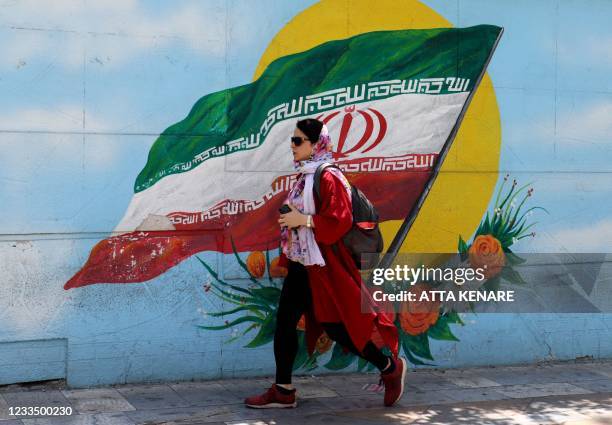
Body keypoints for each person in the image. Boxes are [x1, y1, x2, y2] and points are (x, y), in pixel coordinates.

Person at [244, 118, 407, 409]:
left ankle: (389, 367)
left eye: (298, 141)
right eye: (292, 140)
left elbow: (339, 221)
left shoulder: (328, 176)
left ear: (315, 144)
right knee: (285, 322)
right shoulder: (306, 174)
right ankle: (283, 390)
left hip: (324, 266)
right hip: (304, 262)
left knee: (338, 327)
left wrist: (302, 220)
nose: (292, 146)